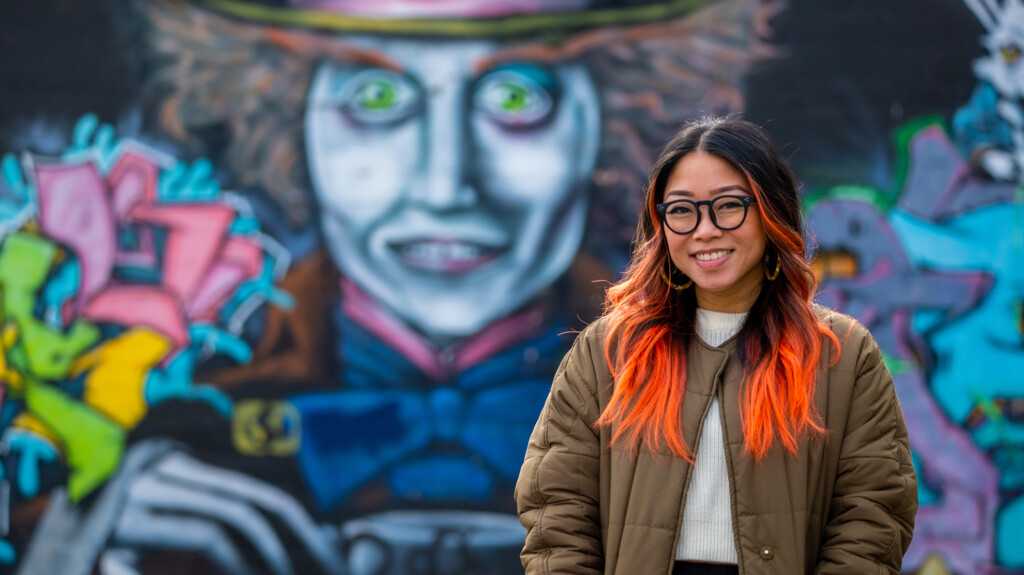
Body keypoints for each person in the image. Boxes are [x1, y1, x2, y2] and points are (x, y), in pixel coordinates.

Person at [515, 116, 918, 574]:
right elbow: (557, 510)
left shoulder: (841, 354)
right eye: (682, 210)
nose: (704, 230)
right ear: (660, 224)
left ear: (773, 212)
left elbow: (873, 512)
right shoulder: (608, 352)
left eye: (728, 206)